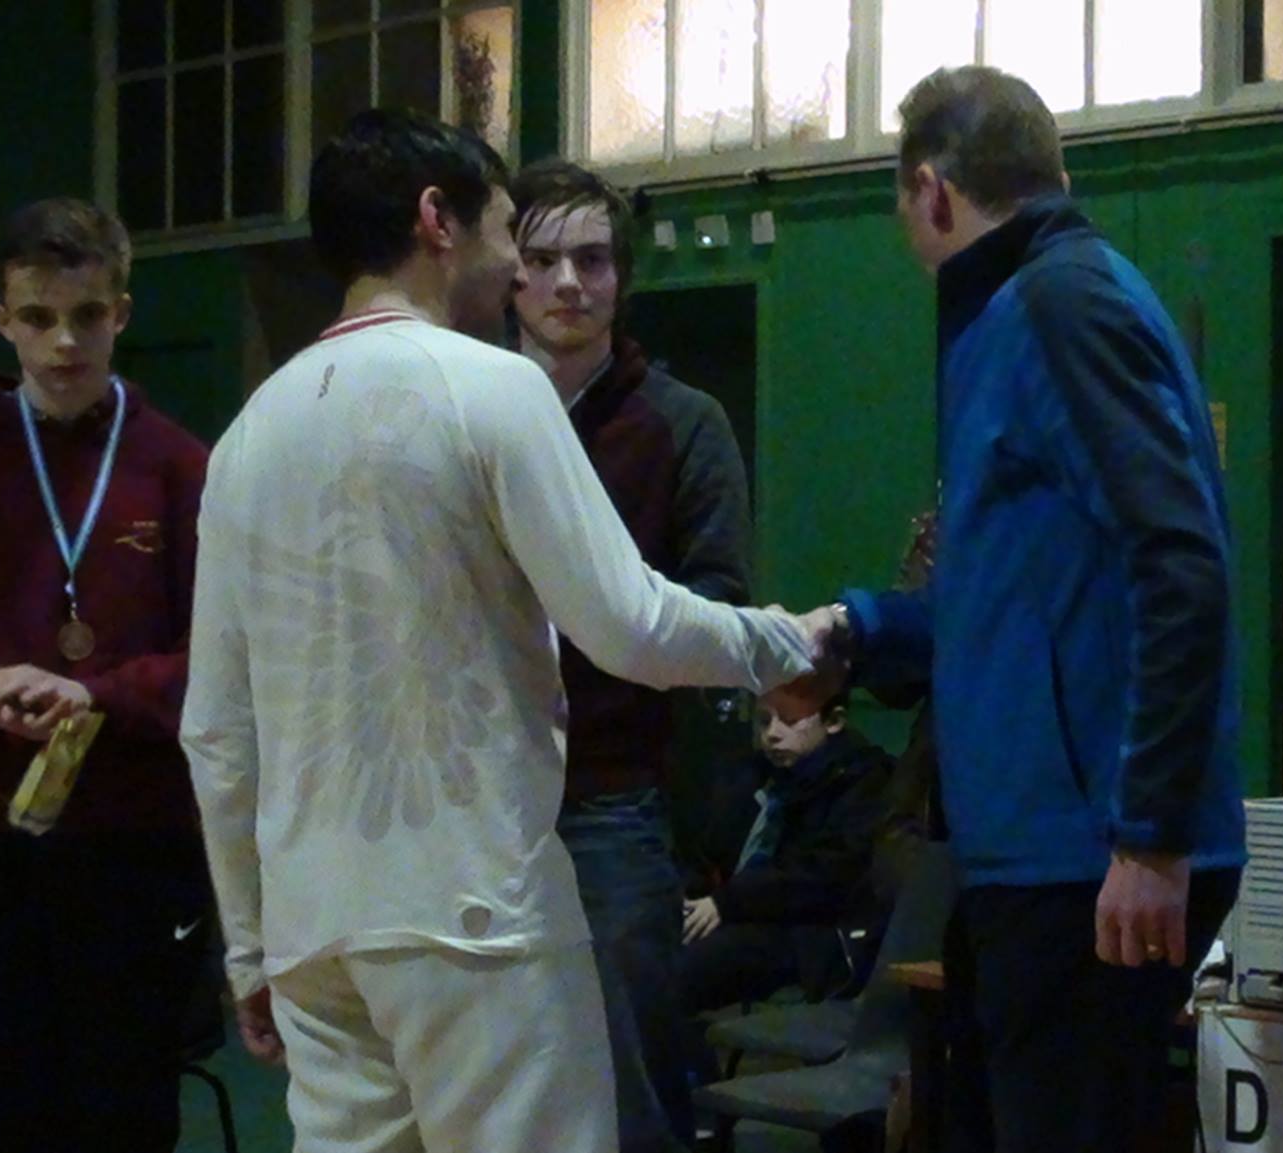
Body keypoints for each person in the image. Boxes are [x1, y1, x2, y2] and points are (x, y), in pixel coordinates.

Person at [180, 109, 819, 1153]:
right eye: (503, 229)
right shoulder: (497, 387)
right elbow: (631, 626)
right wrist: (792, 642)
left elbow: (215, 731)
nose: (519, 266)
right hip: (477, 913)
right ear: (437, 220)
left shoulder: (245, 438)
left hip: (312, 930)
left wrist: (249, 946)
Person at [796, 67, 1248, 1153]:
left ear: (932, 190)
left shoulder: (1060, 305)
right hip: (1042, 853)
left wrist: (1150, 836)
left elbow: (1181, 564)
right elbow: (1007, 603)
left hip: (1086, 856)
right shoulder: (1022, 312)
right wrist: (859, 633)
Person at [0, 197, 212, 1153]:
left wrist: (96, 695)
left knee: (128, 1110)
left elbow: (222, 657)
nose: (64, 341)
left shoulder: (179, 466)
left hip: (136, 837)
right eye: (38, 316)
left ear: (123, 312)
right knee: (3, 1111)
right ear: (3, 320)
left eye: (87, 314)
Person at [508, 157, 751, 1152]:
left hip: (614, 795)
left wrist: (606, 613)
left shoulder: (684, 422)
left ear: (622, 278)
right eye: (542, 259)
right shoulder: (469, 410)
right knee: (497, 1079)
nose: (568, 282)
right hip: (479, 791)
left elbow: (719, 603)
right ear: (508, 274)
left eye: (593, 260)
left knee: (631, 1076)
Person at [678, 693, 894, 1018]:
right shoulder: (758, 774)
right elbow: (708, 850)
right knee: (644, 951)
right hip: (745, 910)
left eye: (790, 720)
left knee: (685, 969)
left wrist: (728, 901)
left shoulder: (861, 781)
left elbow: (822, 878)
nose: (772, 734)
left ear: (833, 721)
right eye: (764, 721)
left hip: (810, 931)